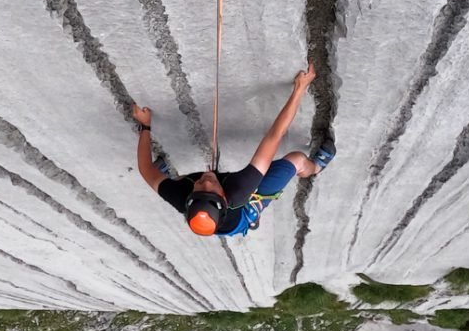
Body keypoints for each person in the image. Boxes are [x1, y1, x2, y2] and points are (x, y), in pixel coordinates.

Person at [132, 62, 336, 236]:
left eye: (199, 186)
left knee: (173, 180)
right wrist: (300, 89)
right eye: (210, 189)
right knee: (298, 159)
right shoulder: (240, 189)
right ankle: (315, 168)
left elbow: (145, 170)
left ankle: (170, 177)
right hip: (243, 214)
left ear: (189, 199)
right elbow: (274, 137)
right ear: (223, 196)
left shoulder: (180, 195)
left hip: (210, 211)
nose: (205, 180)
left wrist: (145, 126)